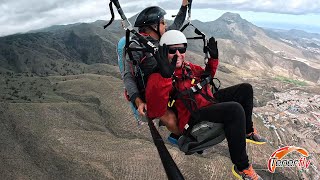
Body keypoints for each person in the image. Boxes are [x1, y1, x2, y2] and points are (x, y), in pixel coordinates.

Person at [145, 30, 266, 180]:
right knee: (235, 110)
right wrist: (165, 77)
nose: (178, 54)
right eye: (172, 50)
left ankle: (247, 131)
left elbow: (207, 77)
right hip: (193, 117)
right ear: (163, 52)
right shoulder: (158, 77)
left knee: (245, 89)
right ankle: (242, 167)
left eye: (181, 49)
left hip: (207, 103)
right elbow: (155, 111)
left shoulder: (188, 67)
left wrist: (213, 60)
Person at [123, 0, 188, 135]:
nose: (166, 25)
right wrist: (138, 100)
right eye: (163, 22)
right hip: (152, 92)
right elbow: (128, 75)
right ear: (153, 27)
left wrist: (184, 6)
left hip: (167, 84)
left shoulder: (162, 38)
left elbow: (177, 24)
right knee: (171, 120)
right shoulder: (136, 47)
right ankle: (185, 138)